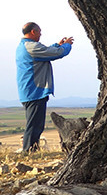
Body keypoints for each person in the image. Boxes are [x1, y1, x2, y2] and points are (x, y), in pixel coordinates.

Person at [15, 22, 73, 152]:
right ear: (33, 32)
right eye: (39, 32)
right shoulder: (31, 47)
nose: (41, 34)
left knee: (35, 124)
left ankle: (32, 149)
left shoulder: (25, 46)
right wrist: (66, 46)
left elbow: (46, 50)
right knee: (34, 125)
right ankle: (28, 151)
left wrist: (57, 45)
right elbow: (55, 54)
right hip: (34, 91)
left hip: (30, 91)